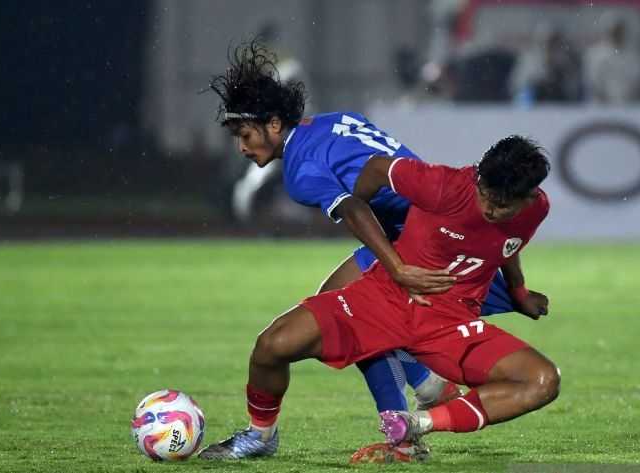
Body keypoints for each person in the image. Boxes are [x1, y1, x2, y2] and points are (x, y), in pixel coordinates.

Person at [202, 37, 533, 462]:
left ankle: (392, 430)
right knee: (339, 307)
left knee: (342, 321)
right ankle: (424, 387)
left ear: (272, 124)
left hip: (425, 244)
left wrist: (397, 268)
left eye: (245, 135)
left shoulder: (301, 171)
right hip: (427, 230)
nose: (242, 147)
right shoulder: (336, 120)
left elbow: (356, 206)